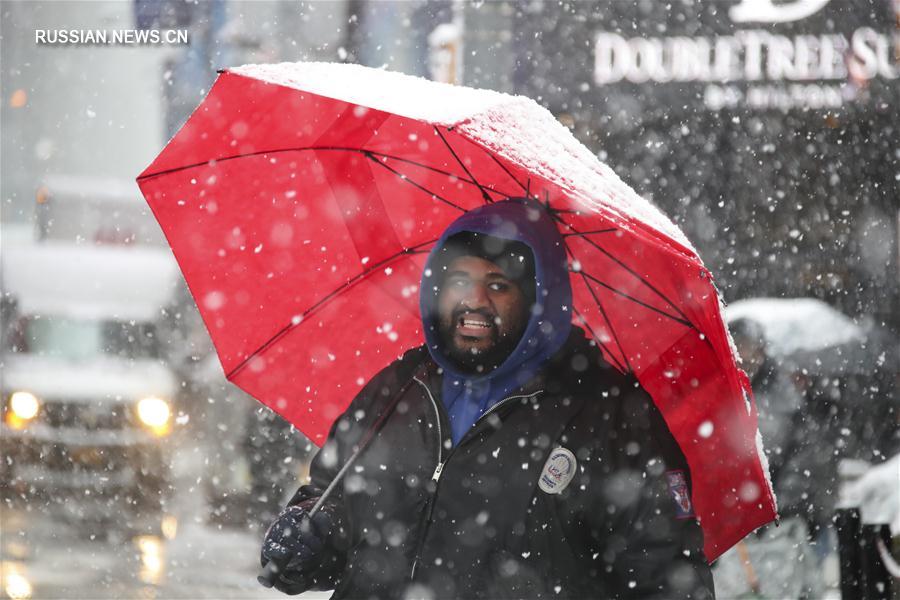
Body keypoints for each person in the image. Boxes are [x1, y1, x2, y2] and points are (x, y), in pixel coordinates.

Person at [260, 199, 714, 599]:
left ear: (540, 297)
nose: (473, 300)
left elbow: (667, 580)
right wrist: (306, 539)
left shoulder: (610, 416)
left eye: (498, 285)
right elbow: (333, 501)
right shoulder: (400, 387)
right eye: (459, 280)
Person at [712, 318, 825, 599]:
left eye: (751, 348)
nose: (745, 356)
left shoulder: (786, 398)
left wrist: (777, 505)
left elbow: (804, 457)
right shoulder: (719, 391)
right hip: (734, 524)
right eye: (738, 347)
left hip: (780, 519)